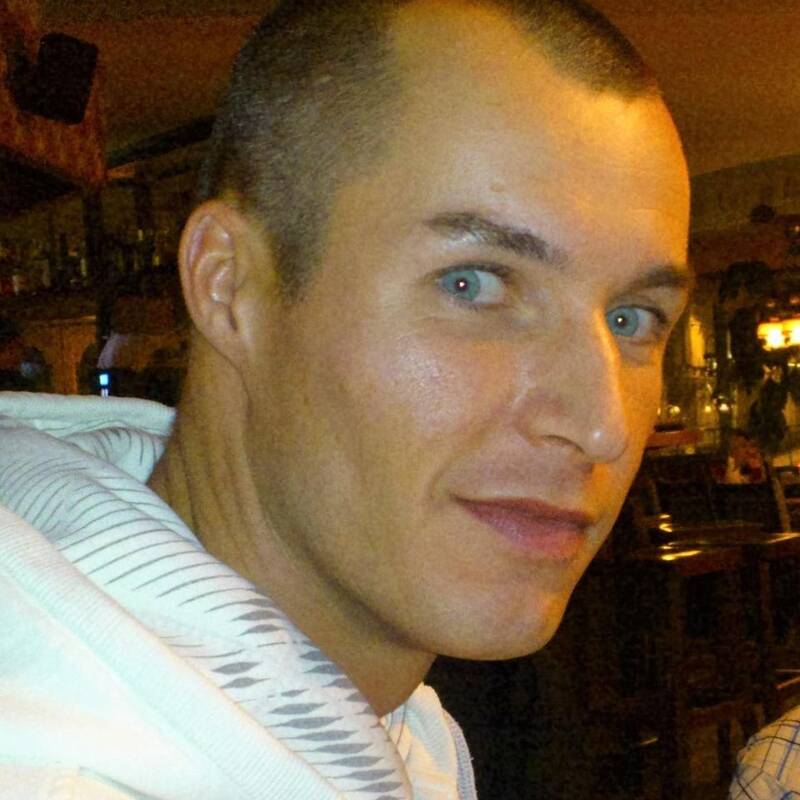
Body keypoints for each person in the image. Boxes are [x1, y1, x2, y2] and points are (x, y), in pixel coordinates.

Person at [0, 0, 692, 797]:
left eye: (633, 318)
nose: (604, 425)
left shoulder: (386, 715)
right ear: (230, 285)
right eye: (472, 284)